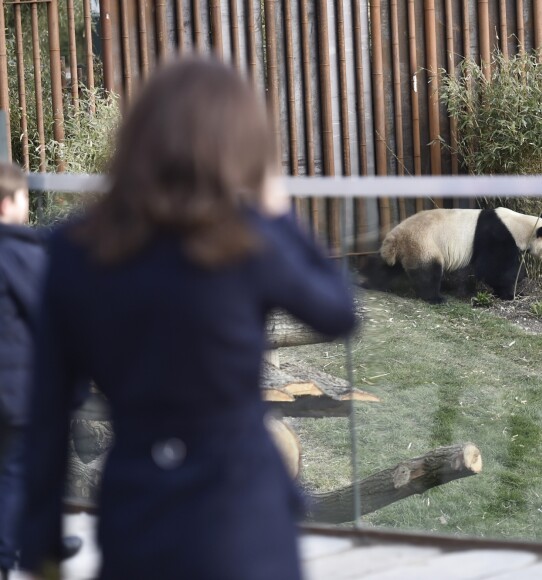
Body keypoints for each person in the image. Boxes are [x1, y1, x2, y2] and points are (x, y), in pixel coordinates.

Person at [20, 57, 356, 580]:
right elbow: (338, 313)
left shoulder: (74, 251)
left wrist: (40, 544)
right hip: (245, 519)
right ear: (238, 147)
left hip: (139, 514)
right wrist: (278, 211)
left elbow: (47, 413)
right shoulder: (246, 242)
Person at [0, 164, 82, 580]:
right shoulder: (20, 253)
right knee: (22, 468)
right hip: (13, 390)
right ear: (9, 203)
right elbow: (50, 314)